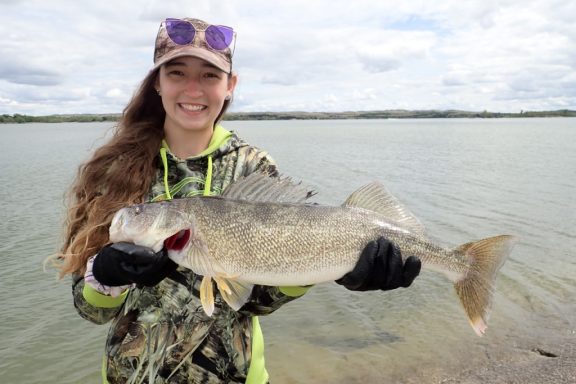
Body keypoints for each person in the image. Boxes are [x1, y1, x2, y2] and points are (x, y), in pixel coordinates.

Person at [53, 17, 421, 384]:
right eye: (177, 73)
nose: (193, 90)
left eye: (210, 76)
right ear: (157, 84)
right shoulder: (112, 169)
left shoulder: (254, 167)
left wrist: (335, 268)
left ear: (230, 86)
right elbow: (92, 312)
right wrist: (104, 276)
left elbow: (258, 301)